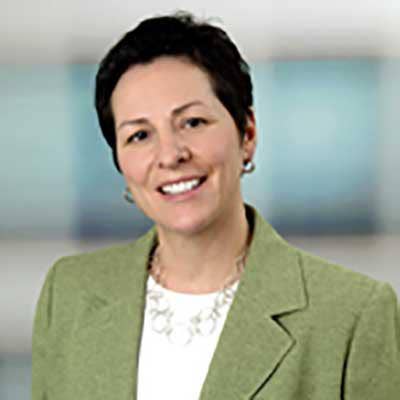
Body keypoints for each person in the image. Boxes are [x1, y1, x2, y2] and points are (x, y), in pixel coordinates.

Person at [32, 11, 400, 400]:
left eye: (192, 122)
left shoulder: (353, 315)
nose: (170, 155)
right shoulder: (70, 293)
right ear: (121, 163)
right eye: (139, 135)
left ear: (247, 134)